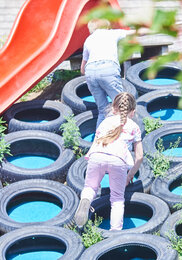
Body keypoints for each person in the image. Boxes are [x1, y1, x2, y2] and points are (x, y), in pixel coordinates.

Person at [74, 92, 143, 230]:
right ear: (133, 112)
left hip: (96, 155)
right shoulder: (134, 127)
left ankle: (86, 200)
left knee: (90, 187)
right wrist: (130, 175)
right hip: (117, 159)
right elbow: (139, 156)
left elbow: (97, 142)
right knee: (117, 199)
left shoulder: (105, 122)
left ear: (113, 108)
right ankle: (114, 233)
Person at [80, 18, 148, 128]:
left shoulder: (88, 40)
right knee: (122, 105)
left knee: (102, 110)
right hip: (107, 68)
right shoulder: (111, 33)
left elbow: (82, 69)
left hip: (90, 72)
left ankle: (100, 140)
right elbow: (136, 33)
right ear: (107, 26)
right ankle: (127, 136)